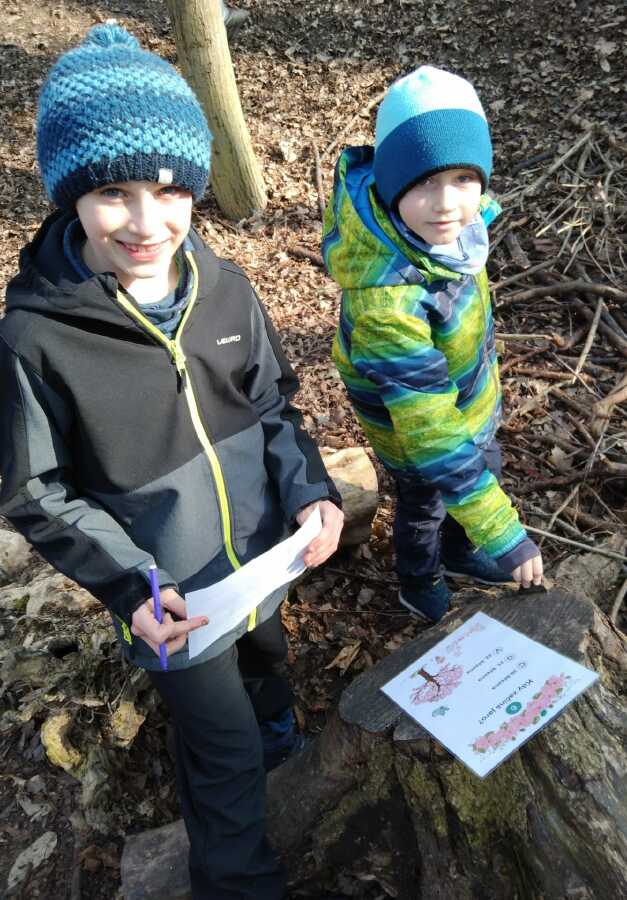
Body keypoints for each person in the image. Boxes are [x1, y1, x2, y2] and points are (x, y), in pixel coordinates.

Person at [0, 24, 343, 900]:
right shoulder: (37, 337)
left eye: (168, 190)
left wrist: (311, 491)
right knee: (218, 750)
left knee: (267, 661)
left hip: (261, 561)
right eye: (112, 193)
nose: (146, 223)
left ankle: (279, 743)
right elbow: (37, 491)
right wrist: (133, 588)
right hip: (168, 604)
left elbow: (274, 407)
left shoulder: (226, 290)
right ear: (69, 196)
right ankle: (237, 878)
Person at [322, 66, 543, 624]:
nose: (446, 203)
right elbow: (429, 429)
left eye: (464, 178)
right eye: (423, 183)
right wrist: (501, 531)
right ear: (392, 185)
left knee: (482, 468)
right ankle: (418, 581)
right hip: (416, 433)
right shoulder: (387, 303)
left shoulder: (454, 237)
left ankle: (461, 550)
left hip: (470, 407)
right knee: (424, 508)